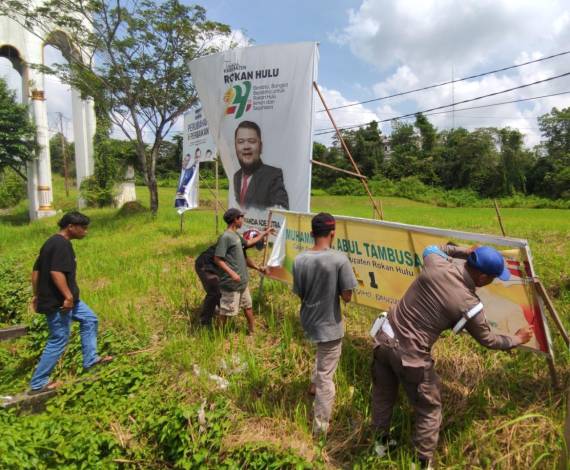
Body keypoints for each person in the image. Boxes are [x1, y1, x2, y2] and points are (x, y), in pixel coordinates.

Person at [370, 244, 534, 468]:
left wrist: (466, 251)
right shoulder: (469, 304)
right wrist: (517, 339)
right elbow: (489, 340)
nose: (493, 282)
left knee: (383, 394)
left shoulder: (436, 264)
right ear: (483, 277)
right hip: (410, 356)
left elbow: (431, 249)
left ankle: (379, 446)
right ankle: (421, 462)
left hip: (383, 338)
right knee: (429, 408)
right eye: (493, 278)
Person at [29, 212, 112, 394]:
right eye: (83, 227)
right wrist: (67, 296)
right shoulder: (62, 245)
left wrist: (36, 295)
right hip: (61, 302)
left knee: (90, 319)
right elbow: (56, 272)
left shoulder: (50, 243)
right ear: (71, 227)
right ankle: (38, 384)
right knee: (59, 339)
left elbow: (36, 272)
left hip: (66, 300)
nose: (86, 231)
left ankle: (90, 359)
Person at [292, 212, 358, 435]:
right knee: (326, 376)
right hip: (329, 325)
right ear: (332, 234)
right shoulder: (339, 259)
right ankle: (320, 427)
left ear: (311, 233)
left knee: (320, 357)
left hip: (308, 320)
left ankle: (313, 386)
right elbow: (347, 296)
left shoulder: (300, 259)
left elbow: (299, 293)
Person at [195, 225, 273, 327]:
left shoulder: (239, 243)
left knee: (221, 291)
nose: (252, 247)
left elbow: (244, 259)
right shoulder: (234, 241)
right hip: (205, 266)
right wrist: (232, 273)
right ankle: (204, 322)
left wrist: (258, 268)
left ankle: (218, 309)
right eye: (252, 245)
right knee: (215, 291)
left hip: (216, 267)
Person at [213, 208, 267, 334]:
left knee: (248, 305)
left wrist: (264, 233)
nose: (243, 220)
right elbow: (217, 259)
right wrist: (232, 273)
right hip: (231, 284)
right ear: (235, 220)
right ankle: (219, 336)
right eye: (241, 217)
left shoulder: (236, 235)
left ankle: (252, 331)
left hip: (242, 282)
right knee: (226, 311)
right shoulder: (225, 237)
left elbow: (248, 243)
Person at [232, 121, 289, 210]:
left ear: (261, 147)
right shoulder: (236, 176)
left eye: (252, 141)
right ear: (235, 147)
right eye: (240, 142)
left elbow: (282, 210)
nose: (246, 146)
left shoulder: (272, 175)